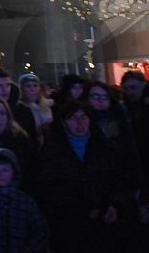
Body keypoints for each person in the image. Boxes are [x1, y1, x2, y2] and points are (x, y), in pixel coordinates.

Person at [37, 101, 125, 253]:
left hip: (102, 220)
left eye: (83, 117)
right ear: (64, 123)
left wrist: (113, 203)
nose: (80, 122)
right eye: (73, 118)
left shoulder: (104, 146)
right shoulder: (52, 149)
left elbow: (117, 177)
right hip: (68, 222)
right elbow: (48, 185)